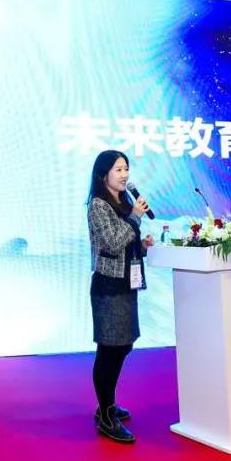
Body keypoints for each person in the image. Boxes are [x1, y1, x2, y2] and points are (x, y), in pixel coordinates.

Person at [87, 149, 154, 443]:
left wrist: (143, 247)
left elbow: (126, 244)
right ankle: (105, 414)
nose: (125, 174)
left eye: (126, 168)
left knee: (123, 345)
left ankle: (109, 403)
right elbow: (113, 243)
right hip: (108, 286)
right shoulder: (98, 205)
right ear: (104, 175)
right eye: (118, 169)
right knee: (110, 349)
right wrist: (136, 218)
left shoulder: (123, 201)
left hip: (127, 282)